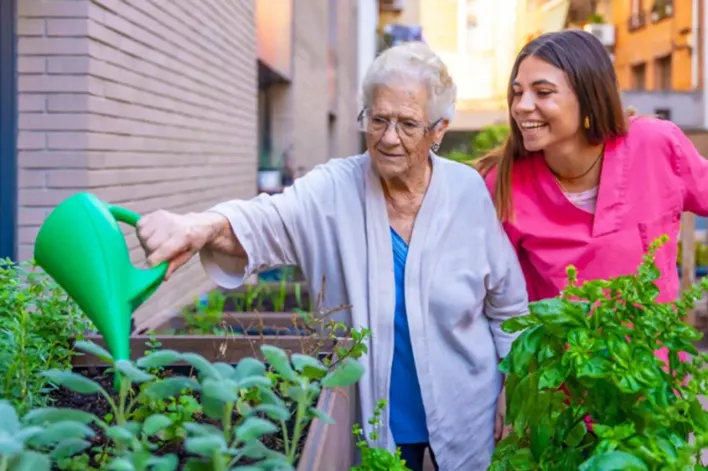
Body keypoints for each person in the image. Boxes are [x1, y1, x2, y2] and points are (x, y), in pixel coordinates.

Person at [135, 41, 529, 471]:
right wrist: (198, 225)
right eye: (378, 120)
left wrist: (514, 383)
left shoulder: (467, 192)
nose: (389, 138)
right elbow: (261, 221)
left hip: (468, 406)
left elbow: (507, 304)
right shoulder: (333, 189)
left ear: (439, 129)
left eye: (408, 124)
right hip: (374, 416)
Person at [476, 30, 708, 366]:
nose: (522, 107)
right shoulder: (502, 184)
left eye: (542, 92)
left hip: (654, 390)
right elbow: (494, 302)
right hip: (559, 392)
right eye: (517, 93)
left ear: (588, 97)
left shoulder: (657, 145)